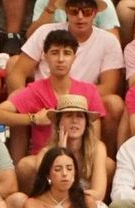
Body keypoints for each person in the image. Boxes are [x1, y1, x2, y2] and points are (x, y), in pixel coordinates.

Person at [0, 32, 107, 183]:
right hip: (44, 158)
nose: (61, 59)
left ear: (74, 57)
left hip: (80, 158)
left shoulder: (88, 91)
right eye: (55, 53)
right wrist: (34, 118)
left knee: (107, 164)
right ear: (45, 56)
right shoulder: (35, 90)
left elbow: (94, 137)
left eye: (67, 53)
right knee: (25, 166)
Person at [8, 0, 125, 147]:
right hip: (42, 98)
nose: (80, 17)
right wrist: (25, 98)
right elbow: (17, 73)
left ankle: (103, 154)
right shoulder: (45, 31)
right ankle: (17, 157)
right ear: (66, 11)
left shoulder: (109, 41)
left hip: (84, 101)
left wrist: (68, 100)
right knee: (17, 98)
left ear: (95, 13)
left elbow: (109, 87)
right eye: (74, 11)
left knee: (114, 103)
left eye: (86, 12)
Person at [31, 94, 111, 200]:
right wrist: (61, 154)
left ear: (86, 123)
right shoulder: (45, 154)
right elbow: (50, 194)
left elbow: (98, 194)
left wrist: (74, 198)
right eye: (69, 116)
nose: (74, 121)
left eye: (80, 116)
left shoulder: (98, 148)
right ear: (59, 122)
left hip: (88, 202)